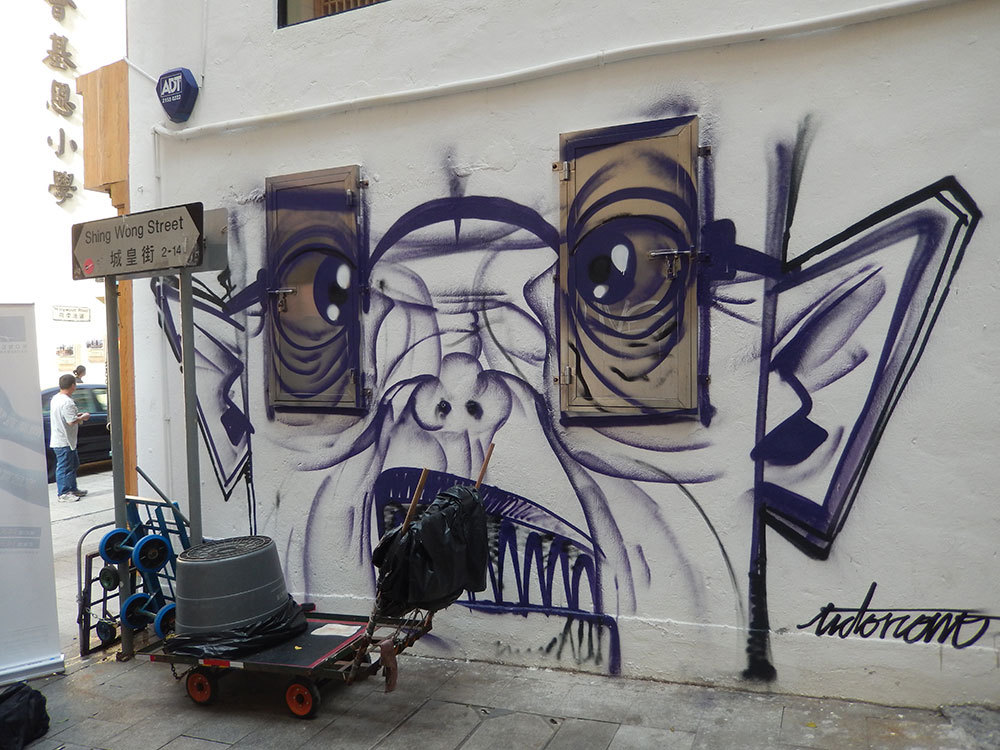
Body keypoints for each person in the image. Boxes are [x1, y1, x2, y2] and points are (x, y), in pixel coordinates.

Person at [49, 373, 90, 502]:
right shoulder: (67, 402)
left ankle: (72, 489)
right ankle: (63, 493)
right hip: (64, 441)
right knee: (65, 467)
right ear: (73, 385)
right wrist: (84, 417)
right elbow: (71, 421)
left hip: (63, 439)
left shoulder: (56, 398)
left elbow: (66, 417)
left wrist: (76, 415)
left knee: (72, 465)